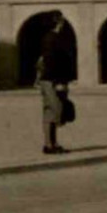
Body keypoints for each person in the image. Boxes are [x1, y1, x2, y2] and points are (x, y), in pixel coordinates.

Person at [35, 15, 76, 154]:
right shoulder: (52, 38)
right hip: (53, 79)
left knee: (51, 111)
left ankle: (51, 144)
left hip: (53, 79)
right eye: (61, 20)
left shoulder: (52, 37)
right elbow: (51, 61)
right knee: (55, 110)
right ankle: (49, 144)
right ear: (58, 22)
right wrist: (58, 81)